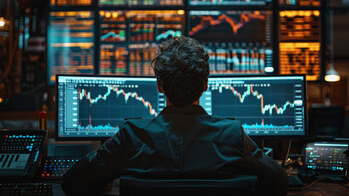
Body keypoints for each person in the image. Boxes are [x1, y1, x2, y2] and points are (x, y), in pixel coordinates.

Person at [62, 36, 288, 195]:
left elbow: (73, 183)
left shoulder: (131, 135)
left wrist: (105, 178)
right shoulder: (232, 134)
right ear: (205, 85)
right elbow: (278, 182)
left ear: (160, 86)